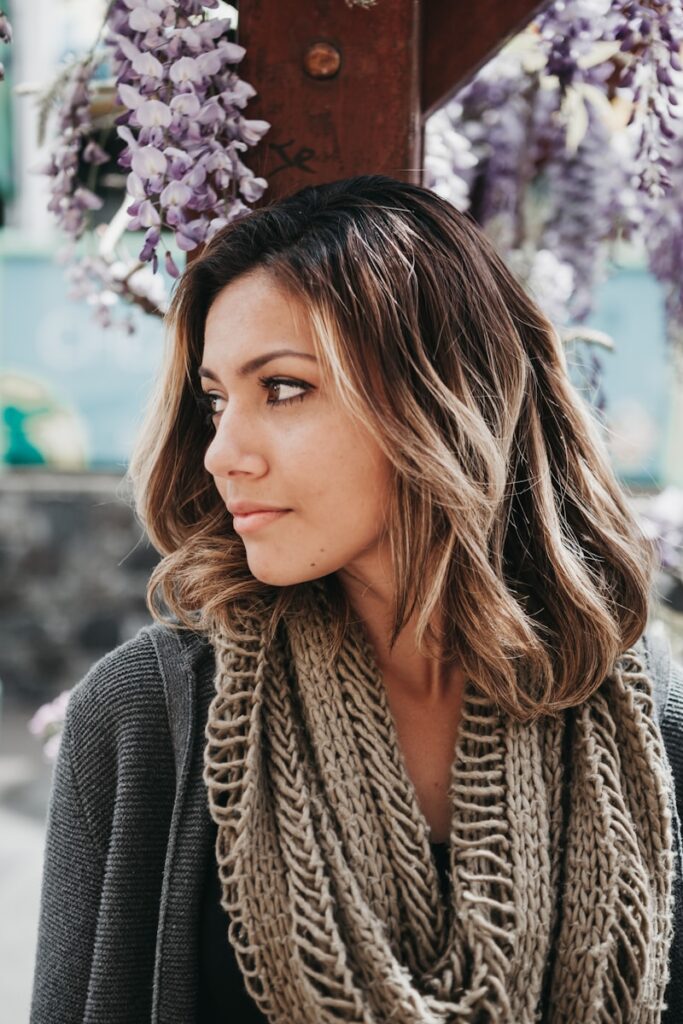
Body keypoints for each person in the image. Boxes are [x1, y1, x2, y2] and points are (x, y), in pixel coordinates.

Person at [30, 174, 683, 1023]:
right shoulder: (147, 717)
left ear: (442, 397)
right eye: (216, 400)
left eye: (283, 388)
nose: (222, 451)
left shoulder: (648, 725)